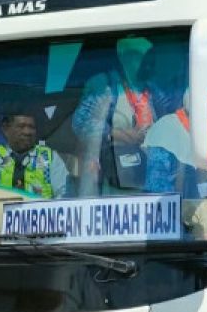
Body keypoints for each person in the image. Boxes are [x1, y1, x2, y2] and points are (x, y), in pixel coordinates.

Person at [72, 35, 191, 196]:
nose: (146, 63)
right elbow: (80, 123)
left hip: (149, 173)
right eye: (139, 56)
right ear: (124, 57)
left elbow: (172, 119)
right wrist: (118, 134)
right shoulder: (103, 85)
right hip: (112, 174)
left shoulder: (153, 89)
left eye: (149, 57)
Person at [0, 110, 68, 199]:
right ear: (6, 129)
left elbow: (65, 193)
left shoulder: (49, 157)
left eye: (32, 127)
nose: (27, 132)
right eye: (21, 126)